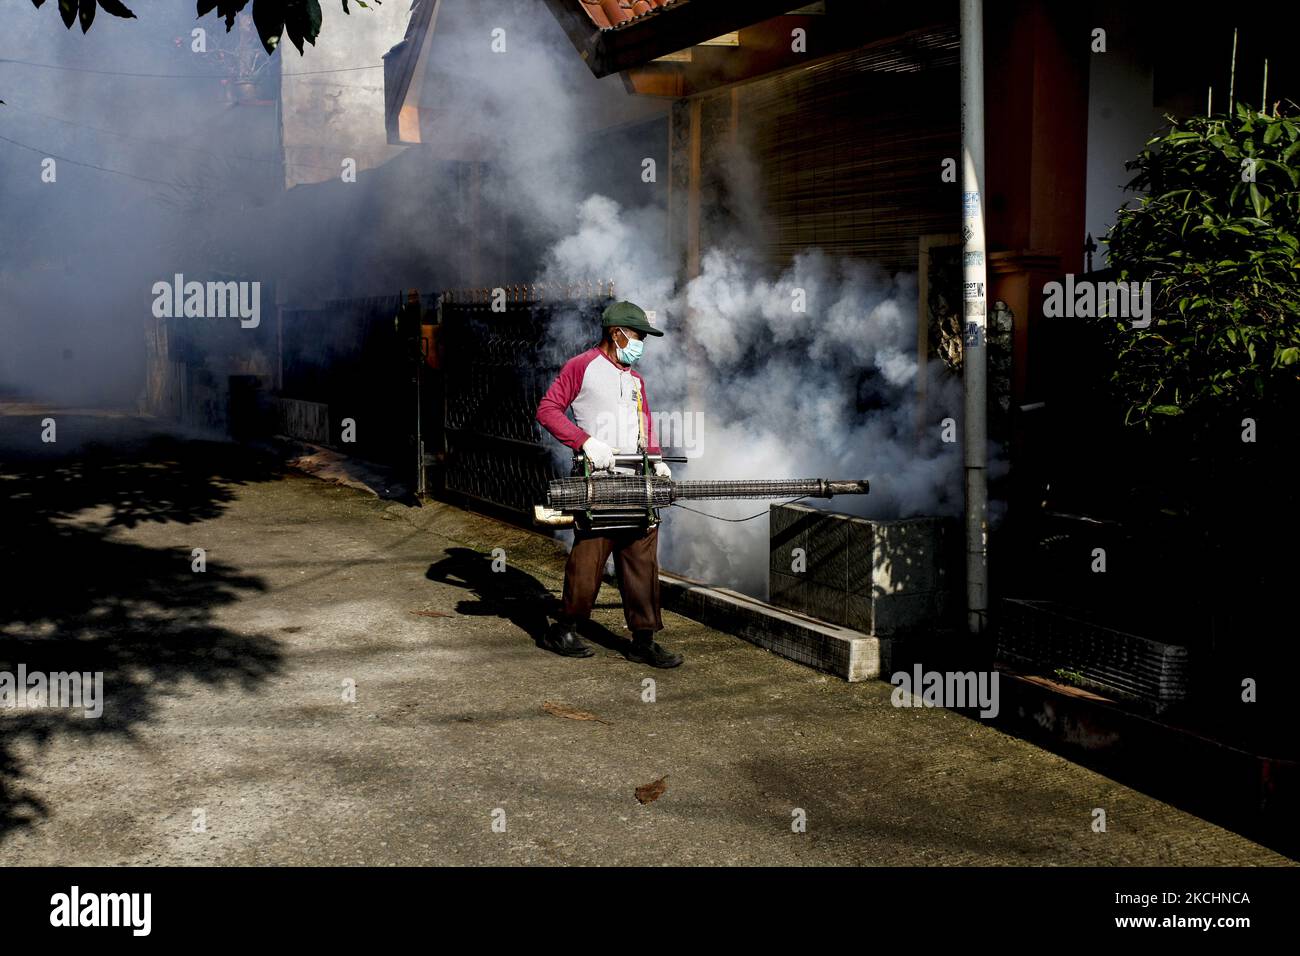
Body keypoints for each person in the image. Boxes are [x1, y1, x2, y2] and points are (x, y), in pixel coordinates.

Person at [534, 300, 683, 668]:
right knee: (590, 555)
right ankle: (565, 628)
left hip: (636, 479)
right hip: (597, 482)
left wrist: (657, 459)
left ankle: (643, 640)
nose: (641, 345)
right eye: (637, 336)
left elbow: (643, 421)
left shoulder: (635, 379)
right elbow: (547, 409)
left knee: (641, 555)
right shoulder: (581, 366)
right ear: (616, 333)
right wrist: (584, 441)